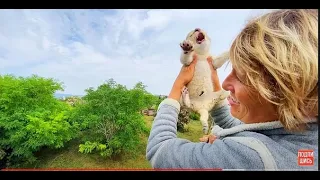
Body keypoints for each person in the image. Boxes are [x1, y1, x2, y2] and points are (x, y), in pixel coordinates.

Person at [146, 9, 318, 170]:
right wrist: (214, 82)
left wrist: (177, 86)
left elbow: (159, 150)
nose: (225, 84)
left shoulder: (254, 156)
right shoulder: (303, 137)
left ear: (289, 87)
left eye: (242, 76)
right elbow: (233, 124)